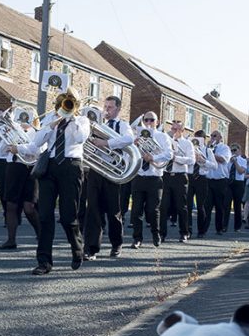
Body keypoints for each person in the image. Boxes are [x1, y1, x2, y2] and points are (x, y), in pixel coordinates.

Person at [12, 89, 89, 275]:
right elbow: (37, 142)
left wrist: (71, 118)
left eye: (70, 103)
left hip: (71, 166)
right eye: (64, 102)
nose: (66, 106)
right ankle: (44, 261)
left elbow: (80, 138)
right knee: (45, 215)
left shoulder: (82, 121)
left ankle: (77, 248)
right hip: (50, 167)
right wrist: (52, 124)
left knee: (68, 216)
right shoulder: (50, 120)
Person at [83, 95, 135, 260]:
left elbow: (129, 139)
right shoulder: (98, 124)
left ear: (118, 109)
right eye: (105, 107)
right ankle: (91, 249)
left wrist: (106, 143)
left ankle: (116, 244)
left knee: (114, 211)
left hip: (113, 172)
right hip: (96, 170)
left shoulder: (123, 125)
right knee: (92, 209)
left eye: (110, 107)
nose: (106, 110)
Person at [129, 112, 171, 248]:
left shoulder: (162, 136)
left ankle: (155, 234)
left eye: (151, 120)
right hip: (139, 176)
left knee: (153, 210)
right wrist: (133, 145)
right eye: (146, 120)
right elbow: (128, 154)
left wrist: (154, 158)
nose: (148, 122)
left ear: (157, 122)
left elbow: (169, 154)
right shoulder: (137, 136)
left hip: (155, 178)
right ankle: (137, 238)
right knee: (136, 211)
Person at [0, 111, 40, 250]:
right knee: (11, 205)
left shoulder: (36, 132)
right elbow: (2, 151)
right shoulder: (13, 131)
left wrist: (20, 148)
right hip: (14, 168)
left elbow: (38, 151)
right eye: (21, 116)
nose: (23, 119)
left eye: (26, 116)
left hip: (30, 169)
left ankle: (41, 234)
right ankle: (11, 240)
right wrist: (8, 137)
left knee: (29, 207)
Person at [159, 121, 195, 243]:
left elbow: (191, 160)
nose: (174, 131)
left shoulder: (187, 144)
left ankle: (184, 233)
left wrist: (176, 158)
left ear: (182, 130)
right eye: (173, 128)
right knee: (163, 206)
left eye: (177, 129)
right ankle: (162, 234)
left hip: (180, 176)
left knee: (181, 207)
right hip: (166, 175)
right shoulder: (166, 141)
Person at [186, 131, 215, 238]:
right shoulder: (190, 149)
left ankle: (201, 230)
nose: (197, 140)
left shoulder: (207, 151)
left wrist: (203, 161)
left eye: (199, 138)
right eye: (196, 138)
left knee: (200, 206)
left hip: (202, 179)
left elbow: (214, 166)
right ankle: (187, 230)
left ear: (203, 139)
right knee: (187, 206)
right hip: (190, 177)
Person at [204, 130, 231, 234]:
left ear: (220, 137)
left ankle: (219, 228)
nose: (212, 137)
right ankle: (203, 230)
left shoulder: (224, 148)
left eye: (214, 136)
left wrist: (211, 153)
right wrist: (207, 150)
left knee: (220, 206)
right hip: (209, 180)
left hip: (220, 181)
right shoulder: (208, 148)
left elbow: (223, 160)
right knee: (207, 206)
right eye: (211, 135)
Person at [223, 143, 247, 232]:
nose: (233, 152)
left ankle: (237, 227)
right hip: (229, 183)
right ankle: (224, 226)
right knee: (226, 205)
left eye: (235, 150)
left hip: (238, 183)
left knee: (237, 206)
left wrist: (235, 162)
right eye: (231, 150)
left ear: (239, 151)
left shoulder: (242, 160)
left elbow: (241, 171)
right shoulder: (228, 161)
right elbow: (226, 171)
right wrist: (230, 161)